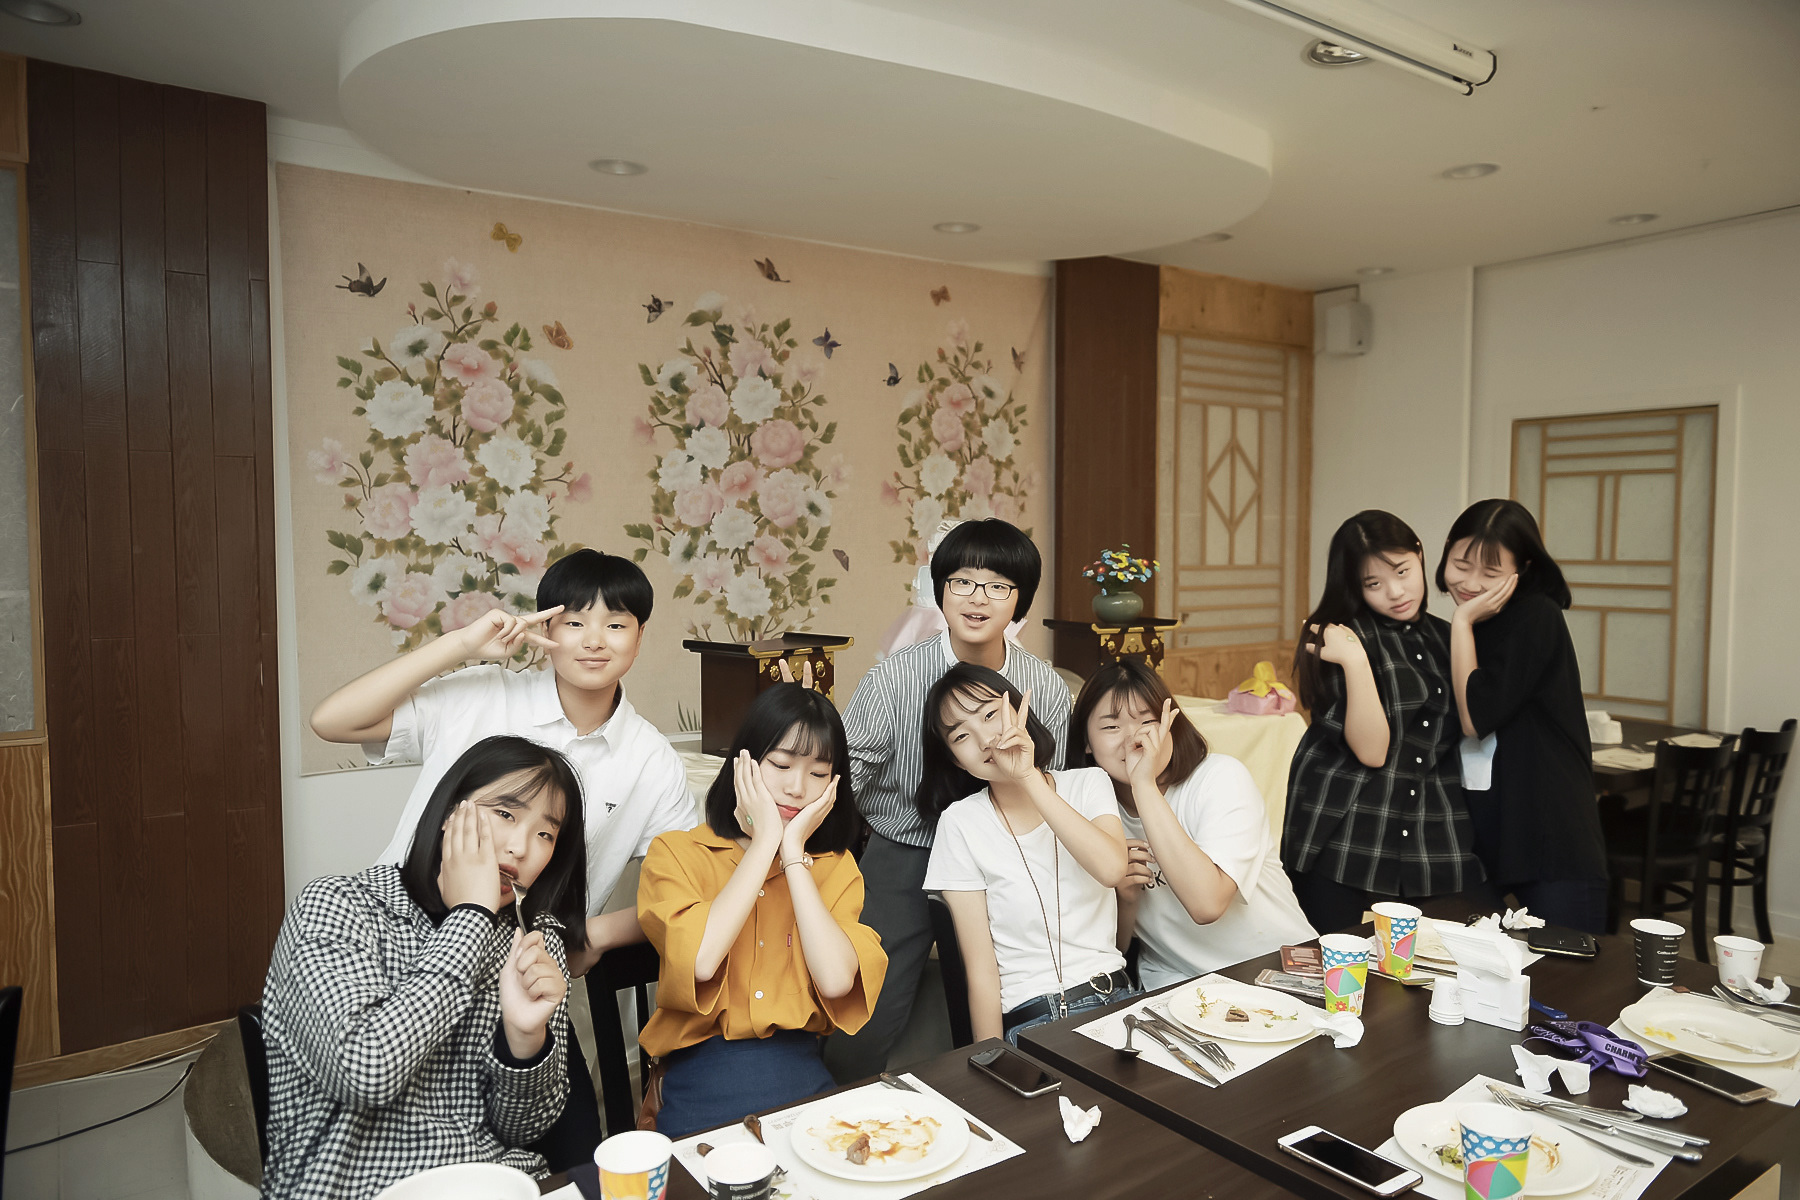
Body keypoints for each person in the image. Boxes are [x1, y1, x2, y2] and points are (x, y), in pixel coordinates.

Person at [309, 548, 696, 976]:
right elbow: (332, 722)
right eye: (574, 622)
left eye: (616, 625)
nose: (594, 641)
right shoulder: (481, 693)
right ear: (545, 627)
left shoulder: (653, 760)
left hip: (515, 970)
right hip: (395, 934)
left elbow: (690, 886)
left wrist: (592, 934)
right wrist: (460, 644)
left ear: (640, 637)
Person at [261, 737, 586, 1200]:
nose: (520, 848)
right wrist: (471, 917)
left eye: (545, 835)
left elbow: (523, 1129)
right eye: (505, 814)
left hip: (496, 1183)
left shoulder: (533, 941)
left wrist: (524, 1040)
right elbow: (366, 1071)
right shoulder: (334, 906)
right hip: (353, 1187)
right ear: (451, 813)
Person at [826, 519, 1070, 1079]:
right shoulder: (894, 678)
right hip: (907, 852)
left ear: (1020, 601)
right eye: (962, 582)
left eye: (998, 586)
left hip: (1009, 854)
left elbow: (1052, 782)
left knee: (1009, 993)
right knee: (861, 1021)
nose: (977, 598)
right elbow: (848, 774)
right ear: (940, 590)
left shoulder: (1046, 687)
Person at [636, 684, 887, 1138]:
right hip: (699, 1077)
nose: (797, 787)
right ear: (745, 763)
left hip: (800, 1073)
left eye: (818, 772)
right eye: (782, 764)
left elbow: (835, 980)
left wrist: (791, 854)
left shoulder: (835, 868)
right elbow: (700, 961)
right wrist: (765, 840)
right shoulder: (675, 853)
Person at [1282, 510, 1481, 936]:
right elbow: (1372, 751)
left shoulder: (1447, 636)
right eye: (1373, 583)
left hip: (1432, 825)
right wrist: (1355, 661)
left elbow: (1471, 722)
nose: (1395, 592)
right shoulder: (1337, 638)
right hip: (1348, 823)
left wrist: (1465, 621)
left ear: (1420, 555)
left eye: (1403, 571)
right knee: (1336, 961)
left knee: (1444, 957)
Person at [920, 665, 1132, 1045]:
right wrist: (992, 1059)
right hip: (1034, 1020)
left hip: (1116, 1001)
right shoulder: (960, 824)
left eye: (990, 715)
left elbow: (1112, 869)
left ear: (1019, 711)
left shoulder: (1088, 783)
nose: (985, 739)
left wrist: (1028, 776)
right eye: (961, 735)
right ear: (955, 759)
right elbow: (982, 972)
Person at [1071, 661, 1315, 988]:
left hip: (1276, 968)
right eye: (1112, 727)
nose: (1133, 739)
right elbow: (1112, 950)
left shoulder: (1220, 779)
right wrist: (1126, 900)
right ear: (1086, 741)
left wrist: (1143, 784)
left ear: (1171, 724)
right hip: (1176, 982)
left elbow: (1207, 904)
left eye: (1147, 722)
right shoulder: (1091, 814)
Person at [1440, 499, 1609, 933]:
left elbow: (1474, 718)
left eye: (1490, 572)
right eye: (1461, 564)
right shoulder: (1479, 623)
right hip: (1494, 833)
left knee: (1568, 970)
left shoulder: (1536, 616)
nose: (1471, 583)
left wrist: (1461, 621)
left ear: (1523, 568)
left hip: (1550, 834)